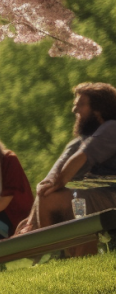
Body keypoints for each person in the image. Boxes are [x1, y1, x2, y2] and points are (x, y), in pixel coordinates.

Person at [20, 82, 116, 234]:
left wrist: (59, 184)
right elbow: (51, 178)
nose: (74, 109)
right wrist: (32, 218)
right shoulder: (79, 141)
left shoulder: (112, 127)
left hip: (111, 197)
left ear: (99, 110)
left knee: (52, 198)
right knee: (49, 195)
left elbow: (81, 157)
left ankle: (48, 249)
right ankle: (49, 247)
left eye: (81, 104)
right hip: (93, 196)